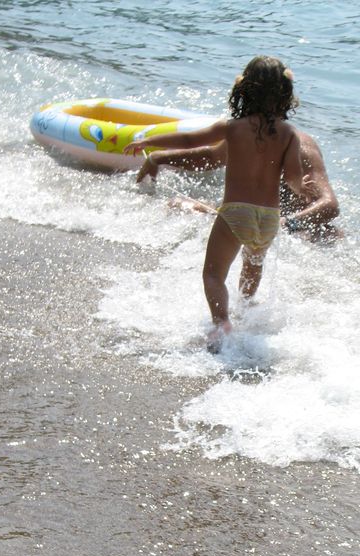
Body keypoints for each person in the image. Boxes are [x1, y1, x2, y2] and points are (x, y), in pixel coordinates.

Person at [125, 55, 310, 352]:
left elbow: (189, 140)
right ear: (284, 94)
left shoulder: (233, 128)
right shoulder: (289, 134)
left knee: (213, 274)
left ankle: (221, 322)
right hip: (269, 219)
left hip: (236, 213)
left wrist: (149, 141)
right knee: (253, 264)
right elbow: (293, 177)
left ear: (244, 89)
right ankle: (245, 310)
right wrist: (302, 188)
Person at [135, 130, 341, 244]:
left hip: (291, 228)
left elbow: (330, 205)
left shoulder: (300, 147)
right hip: (250, 221)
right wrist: (159, 158)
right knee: (177, 205)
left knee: (332, 236)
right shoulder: (245, 132)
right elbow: (210, 157)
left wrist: (287, 223)